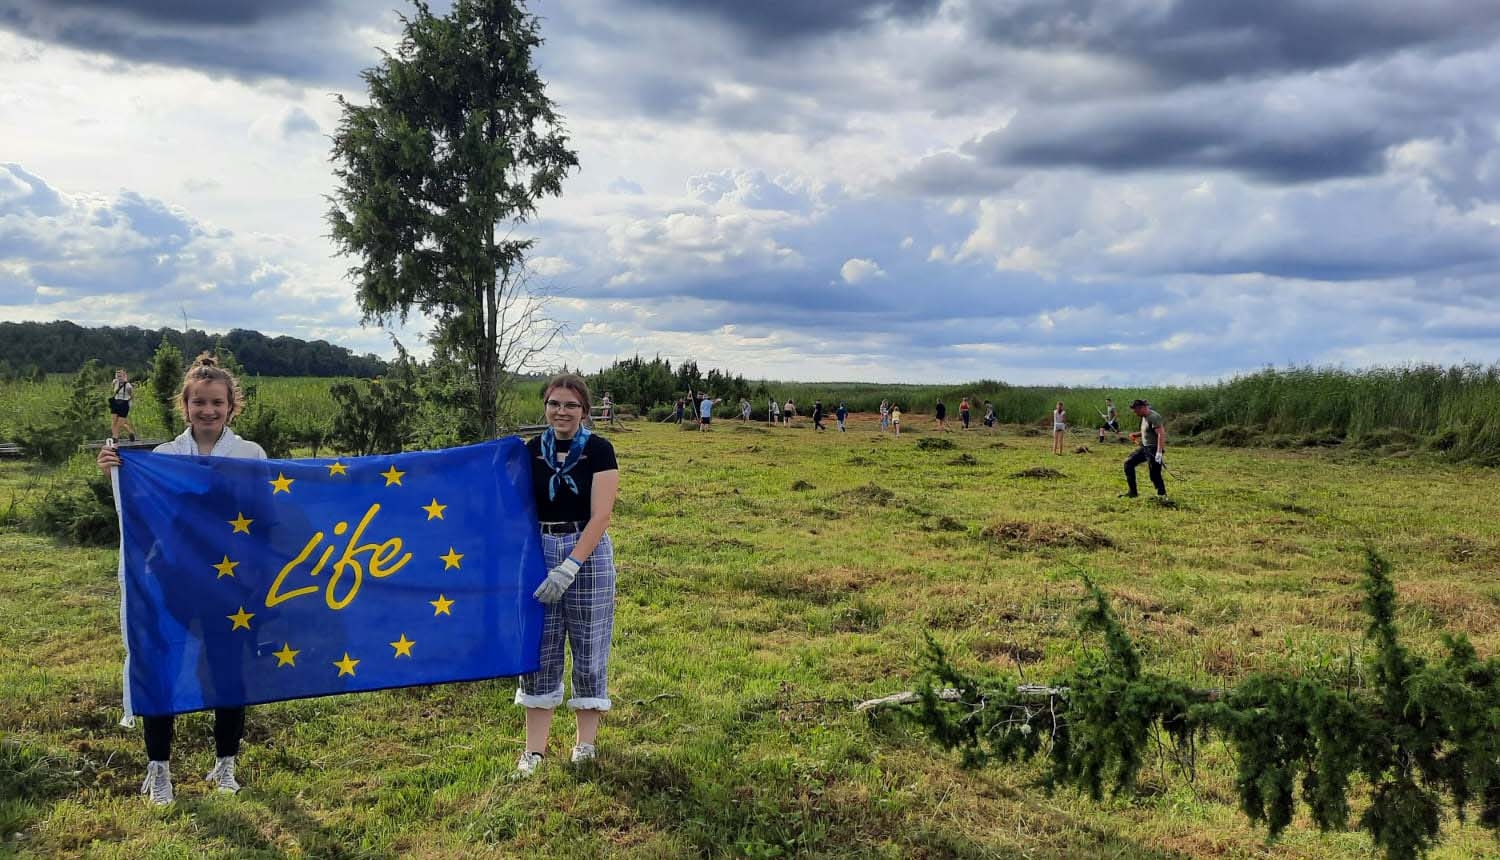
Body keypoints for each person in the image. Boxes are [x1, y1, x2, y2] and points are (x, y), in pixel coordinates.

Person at [97, 353, 267, 805]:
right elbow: (147, 517)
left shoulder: (250, 455)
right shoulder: (164, 457)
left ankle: (225, 764)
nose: (208, 411)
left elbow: (264, 517)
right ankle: (159, 770)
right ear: (185, 406)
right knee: (163, 667)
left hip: (231, 587)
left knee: (227, 671)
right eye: (199, 403)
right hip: (172, 581)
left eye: (216, 403)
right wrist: (117, 470)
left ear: (232, 406)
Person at [517, 373, 621, 776]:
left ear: (585, 411)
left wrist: (571, 565)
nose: (562, 411)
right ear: (545, 407)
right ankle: (534, 751)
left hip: (587, 552)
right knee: (540, 651)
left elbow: (602, 515)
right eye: (555, 403)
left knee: (589, 645)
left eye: (571, 405)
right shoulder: (531, 451)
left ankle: (585, 744)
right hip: (540, 550)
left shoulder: (599, 450)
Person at [1122, 398, 1167, 498]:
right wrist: (1136, 434)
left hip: (1154, 449)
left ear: (1142, 408)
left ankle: (1162, 495)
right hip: (1145, 448)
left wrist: (1159, 452)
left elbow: (1161, 434)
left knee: (1154, 474)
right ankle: (1132, 492)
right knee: (1128, 463)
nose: (1135, 414)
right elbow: (1147, 431)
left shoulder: (1154, 417)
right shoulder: (1144, 416)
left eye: (1136, 411)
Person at [108, 368, 138, 442]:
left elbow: (132, 396)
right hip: (115, 402)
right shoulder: (115, 382)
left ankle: (130, 432)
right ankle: (115, 437)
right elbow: (113, 390)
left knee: (120, 423)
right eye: (117, 375)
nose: (119, 377)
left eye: (120, 375)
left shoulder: (128, 386)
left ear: (124, 376)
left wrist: (128, 403)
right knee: (114, 421)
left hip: (124, 404)